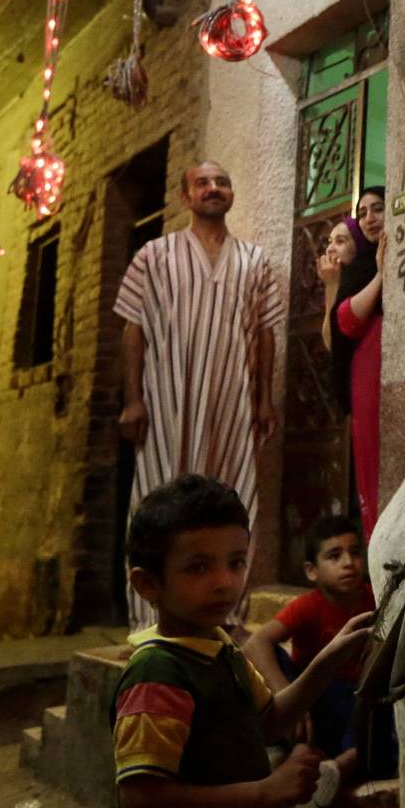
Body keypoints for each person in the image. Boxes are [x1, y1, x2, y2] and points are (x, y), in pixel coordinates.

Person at [112, 475, 371, 808]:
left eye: (235, 562)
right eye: (198, 567)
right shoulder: (157, 673)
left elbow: (268, 721)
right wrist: (266, 791)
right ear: (147, 583)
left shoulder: (220, 647)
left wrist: (328, 660)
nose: (224, 582)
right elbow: (142, 800)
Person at [116, 161, 287, 630]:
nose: (214, 189)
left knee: (233, 496)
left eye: (222, 182)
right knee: (157, 497)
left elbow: (266, 332)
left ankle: (225, 614)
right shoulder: (153, 255)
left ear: (231, 194)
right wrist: (133, 400)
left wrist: (263, 400)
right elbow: (133, 328)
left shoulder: (254, 260)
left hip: (232, 402)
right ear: (185, 196)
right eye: (203, 183)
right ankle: (150, 620)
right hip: (167, 399)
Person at [243, 515, 375, 761]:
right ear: (311, 571)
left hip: (353, 698)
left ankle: (342, 764)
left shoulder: (375, 599)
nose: (348, 563)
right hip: (313, 696)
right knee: (270, 659)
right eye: (334, 556)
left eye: (355, 553)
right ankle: (306, 749)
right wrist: (289, 700)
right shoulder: (308, 606)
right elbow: (255, 643)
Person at [316, 189, 388, 535]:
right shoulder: (355, 276)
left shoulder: (372, 266)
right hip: (361, 383)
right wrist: (332, 286)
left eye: (342, 240)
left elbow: (343, 324)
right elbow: (334, 336)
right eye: (363, 213)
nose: (331, 249)